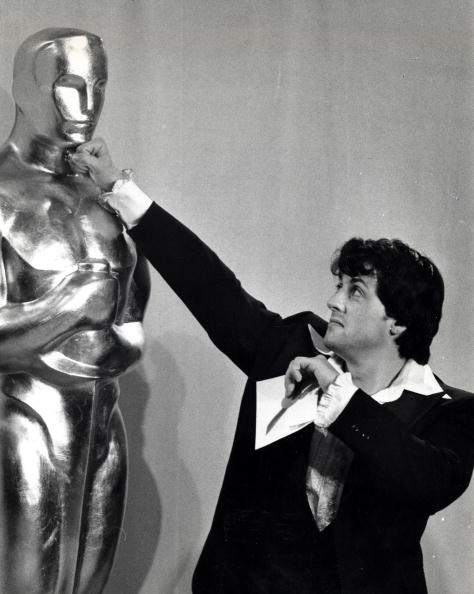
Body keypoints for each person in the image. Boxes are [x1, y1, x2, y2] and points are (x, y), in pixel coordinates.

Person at [70, 139, 474, 594]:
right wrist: (119, 190)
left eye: (355, 291)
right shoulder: (291, 346)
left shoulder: (452, 412)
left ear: (398, 321)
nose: (333, 300)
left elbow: (426, 482)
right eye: (338, 285)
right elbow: (211, 288)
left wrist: (340, 395)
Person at [0, 30, 149, 593]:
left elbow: (131, 320)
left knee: (88, 584)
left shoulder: (99, 197)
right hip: (23, 421)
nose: (85, 108)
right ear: (24, 88)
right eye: (68, 87)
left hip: (101, 417)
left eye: (98, 87)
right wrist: (68, 310)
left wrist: (119, 342)